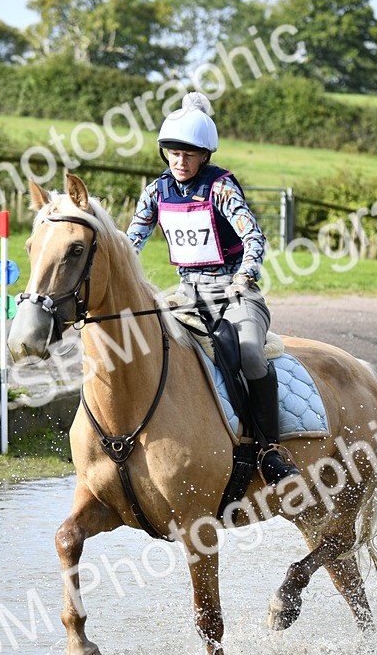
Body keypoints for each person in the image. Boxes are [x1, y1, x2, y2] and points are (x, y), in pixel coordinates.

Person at [127, 91, 300, 486]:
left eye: (188, 154)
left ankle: (270, 450)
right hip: (187, 292)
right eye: (172, 153)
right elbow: (130, 242)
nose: (180, 161)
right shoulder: (156, 192)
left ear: (204, 155)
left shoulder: (220, 187)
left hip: (235, 291)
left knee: (253, 354)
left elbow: (253, 237)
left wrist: (244, 278)